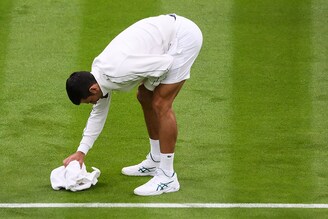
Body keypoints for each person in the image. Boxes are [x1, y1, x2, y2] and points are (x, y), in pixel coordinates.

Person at [63, 14, 202, 196]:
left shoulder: (118, 72)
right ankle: (155, 159)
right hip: (166, 36)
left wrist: (150, 83)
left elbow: (166, 63)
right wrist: (81, 152)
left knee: (160, 103)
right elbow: (98, 115)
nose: (93, 104)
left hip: (183, 38)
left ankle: (167, 176)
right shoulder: (99, 76)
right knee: (144, 95)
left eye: (90, 101)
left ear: (93, 89)